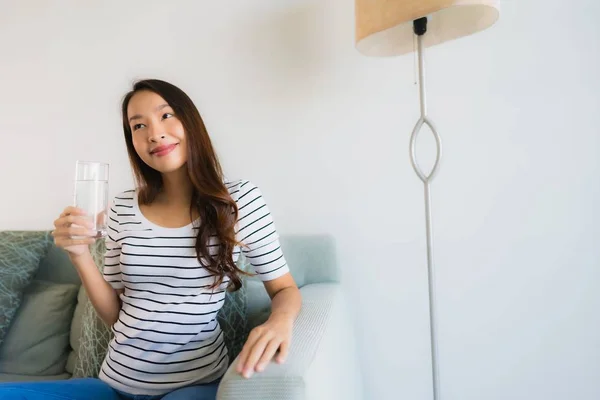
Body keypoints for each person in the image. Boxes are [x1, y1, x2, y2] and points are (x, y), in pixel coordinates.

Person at [0, 79, 302, 400]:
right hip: (113, 384)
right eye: (139, 125)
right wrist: (80, 255)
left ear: (191, 121)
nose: (154, 133)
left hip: (194, 386)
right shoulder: (122, 207)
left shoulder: (240, 201)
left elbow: (284, 289)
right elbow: (115, 313)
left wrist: (279, 322)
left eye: (166, 116)